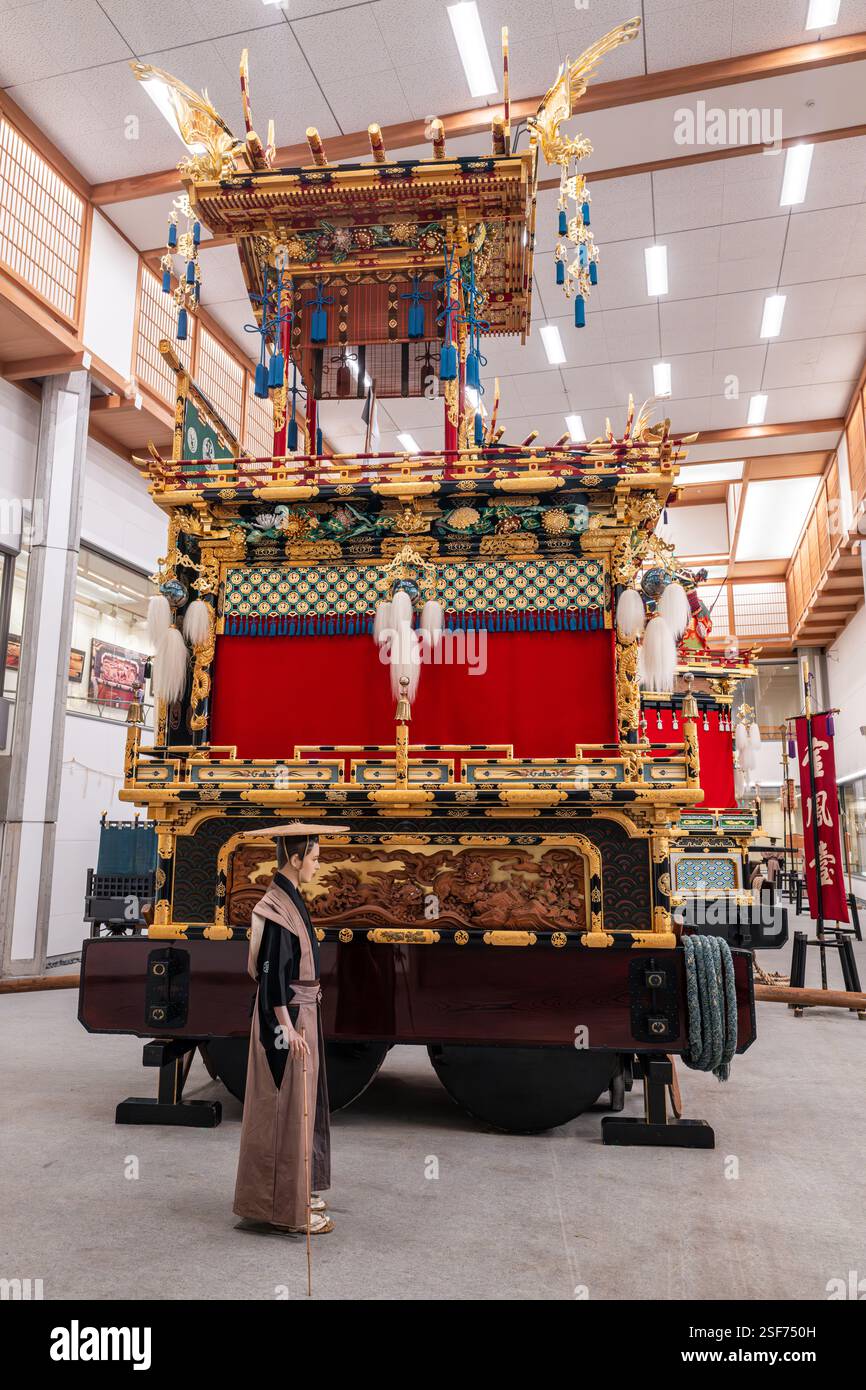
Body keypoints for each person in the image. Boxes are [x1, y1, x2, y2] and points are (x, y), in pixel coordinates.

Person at [233, 822, 347, 1236]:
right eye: (314, 858)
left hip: (304, 1015)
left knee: (305, 1105)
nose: (318, 866)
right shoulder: (278, 908)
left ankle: (297, 1189)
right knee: (286, 1107)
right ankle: (285, 1208)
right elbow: (272, 977)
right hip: (289, 1020)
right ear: (295, 860)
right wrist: (286, 1028)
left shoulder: (291, 898)